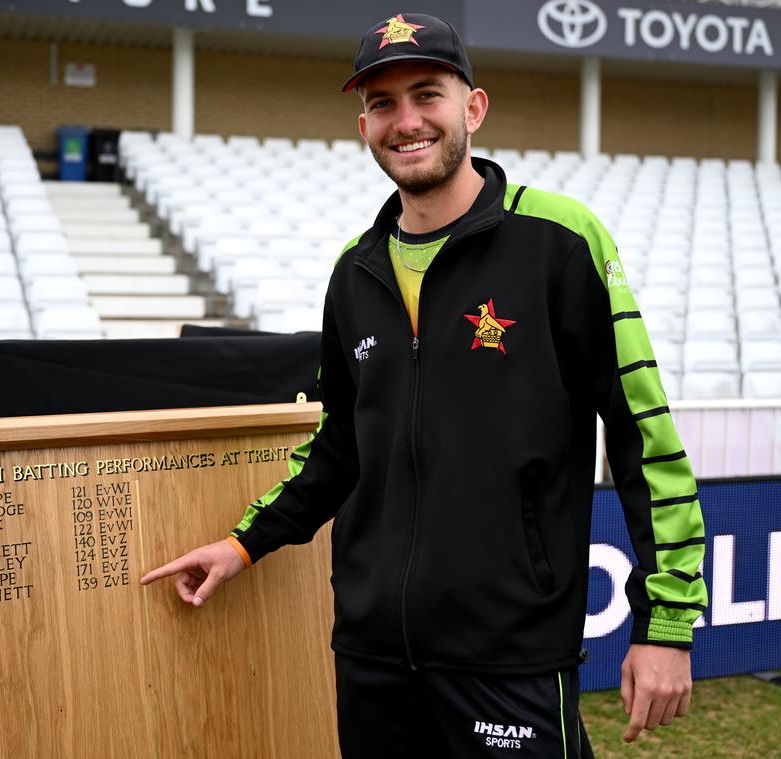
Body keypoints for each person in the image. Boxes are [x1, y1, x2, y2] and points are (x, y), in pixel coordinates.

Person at [141, 12, 707, 758]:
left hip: (510, 658)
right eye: (383, 104)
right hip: (373, 660)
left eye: (427, 94)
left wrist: (666, 624)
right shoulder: (355, 271)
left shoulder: (561, 241)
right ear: (365, 126)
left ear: (473, 107)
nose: (405, 121)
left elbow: (643, 436)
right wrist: (243, 544)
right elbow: (340, 447)